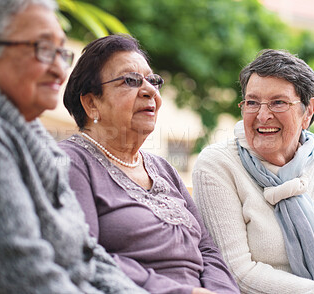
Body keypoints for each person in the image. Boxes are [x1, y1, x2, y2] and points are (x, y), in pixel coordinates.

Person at [0, 1, 149, 293]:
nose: (60, 69)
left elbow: (87, 253)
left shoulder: (32, 133)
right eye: (43, 49)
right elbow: (17, 274)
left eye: (62, 52)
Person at [58, 34, 240, 294]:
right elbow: (83, 254)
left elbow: (208, 250)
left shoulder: (163, 169)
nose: (150, 91)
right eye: (130, 81)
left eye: (153, 81)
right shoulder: (71, 162)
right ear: (91, 103)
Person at [192, 49, 314, 294]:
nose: (262, 115)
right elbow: (236, 271)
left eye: (278, 102)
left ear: (308, 110)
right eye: (252, 102)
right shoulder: (218, 165)